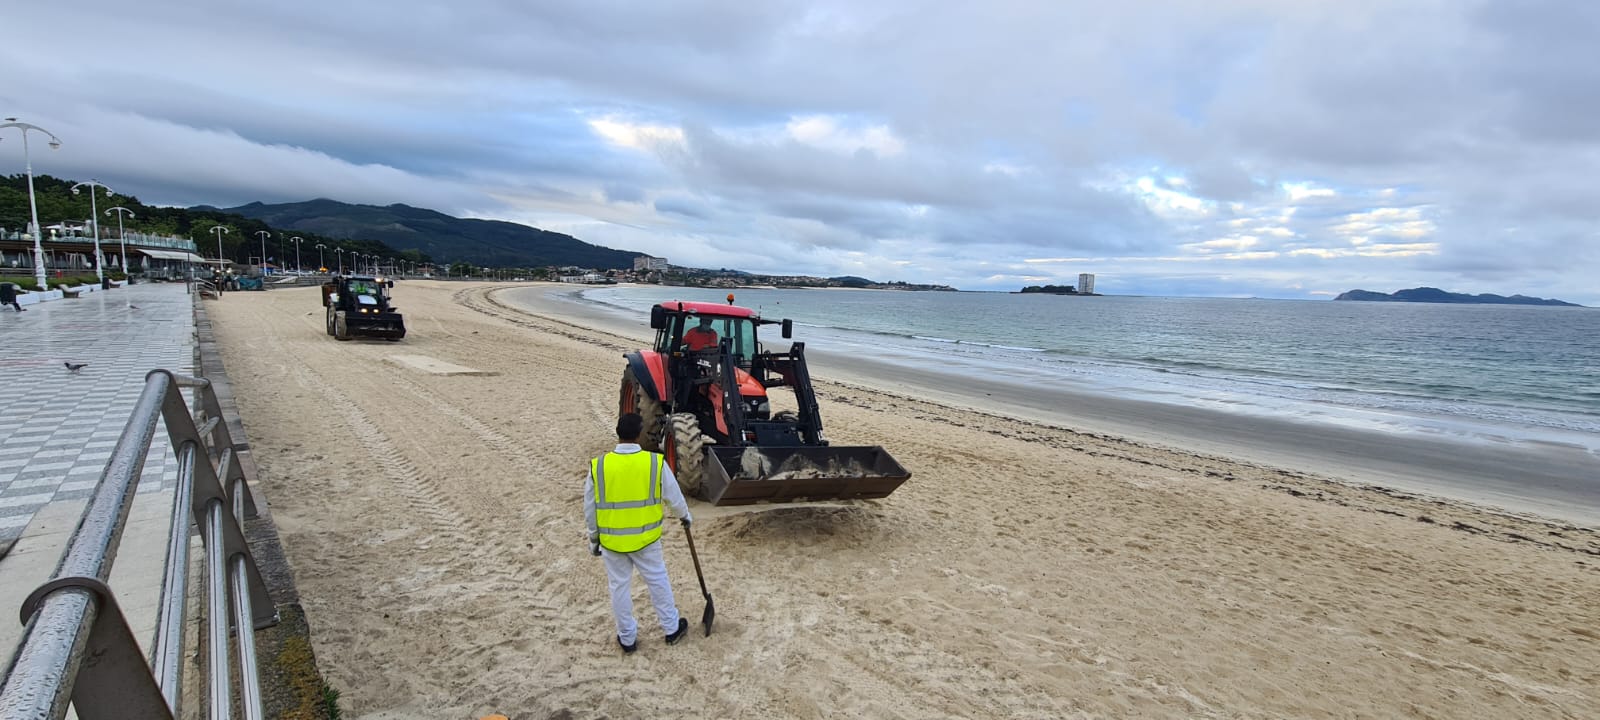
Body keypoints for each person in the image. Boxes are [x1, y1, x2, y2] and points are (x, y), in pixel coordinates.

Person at [585, 412, 693, 653]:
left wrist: (594, 539)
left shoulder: (599, 466)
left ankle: (627, 639)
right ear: (638, 434)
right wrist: (684, 516)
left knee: (619, 587)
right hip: (646, 540)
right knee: (657, 581)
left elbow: (589, 509)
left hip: (613, 542)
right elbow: (674, 497)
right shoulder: (653, 463)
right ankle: (671, 628)